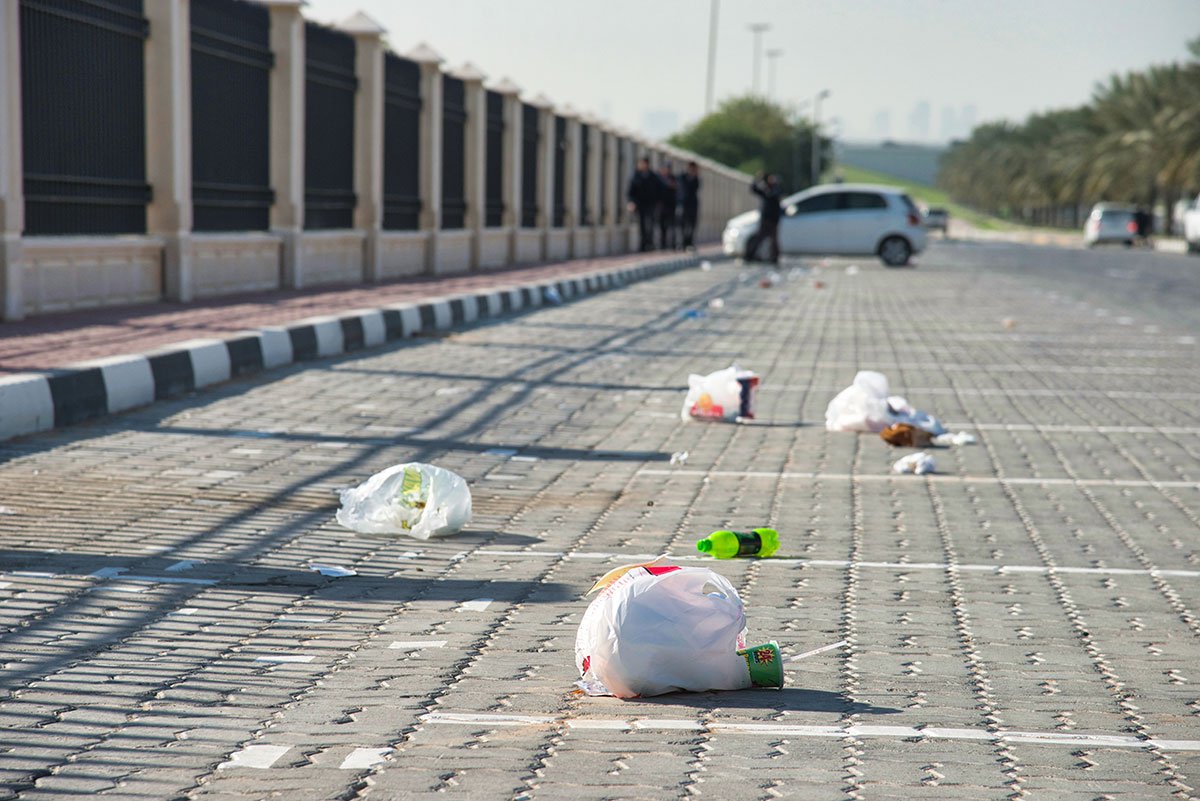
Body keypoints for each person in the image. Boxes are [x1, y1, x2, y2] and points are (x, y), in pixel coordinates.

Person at [744, 173, 783, 263]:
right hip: (765, 219)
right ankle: (750, 256)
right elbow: (753, 189)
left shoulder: (775, 190)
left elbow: (775, 195)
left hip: (773, 220)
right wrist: (757, 179)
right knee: (759, 238)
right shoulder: (765, 190)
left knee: (774, 240)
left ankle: (774, 258)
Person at [626, 158, 661, 252]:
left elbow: (659, 190)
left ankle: (650, 243)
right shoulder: (635, 176)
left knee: (650, 224)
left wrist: (658, 202)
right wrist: (631, 202)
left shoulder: (653, 176)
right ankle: (643, 244)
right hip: (640, 204)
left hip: (651, 204)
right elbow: (631, 191)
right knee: (642, 225)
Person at [678, 161, 701, 250]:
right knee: (682, 224)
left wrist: (694, 176)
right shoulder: (682, 177)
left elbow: (696, 188)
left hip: (693, 204)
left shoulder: (696, 178)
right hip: (684, 204)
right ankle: (683, 242)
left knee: (692, 224)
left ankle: (690, 242)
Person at [657, 164, 678, 250]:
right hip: (661, 206)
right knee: (662, 227)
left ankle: (673, 244)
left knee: (672, 226)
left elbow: (678, 190)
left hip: (671, 206)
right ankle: (663, 245)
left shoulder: (673, 179)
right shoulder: (659, 179)